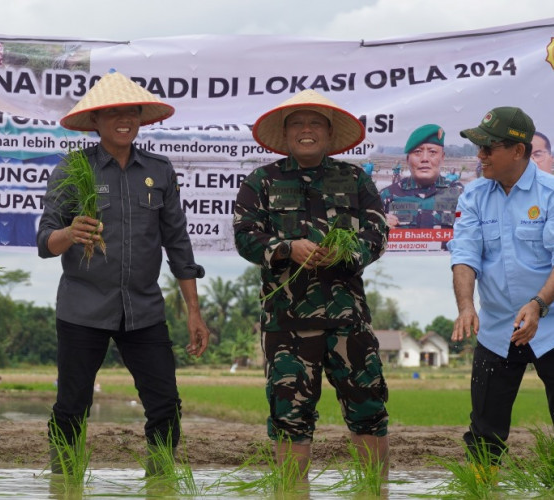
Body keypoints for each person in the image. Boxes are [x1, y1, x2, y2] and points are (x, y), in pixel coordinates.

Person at [37, 70, 210, 474]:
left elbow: (178, 245)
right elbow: (45, 242)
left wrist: (193, 311)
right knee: (72, 404)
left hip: (144, 310)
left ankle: (162, 479)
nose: (123, 118)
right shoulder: (73, 169)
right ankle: (64, 480)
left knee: (165, 402)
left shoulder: (160, 171)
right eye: (112, 111)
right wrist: (69, 233)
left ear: (140, 117)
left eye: (130, 111)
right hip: (82, 309)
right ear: (95, 120)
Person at [233, 89, 390, 479]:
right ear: (286, 134)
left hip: (348, 321)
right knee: (289, 418)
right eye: (298, 123)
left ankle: (374, 490)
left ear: (328, 132)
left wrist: (345, 252)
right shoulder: (262, 181)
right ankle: (292, 491)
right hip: (287, 323)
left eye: (315, 123)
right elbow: (244, 237)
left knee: (369, 411)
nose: (307, 130)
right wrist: (287, 247)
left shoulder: (355, 179)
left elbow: (378, 234)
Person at [449, 106, 554, 465]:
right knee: (484, 430)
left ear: (518, 150)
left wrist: (538, 303)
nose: (480, 156)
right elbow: (464, 255)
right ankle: (482, 487)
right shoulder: (475, 195)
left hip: (551, 325)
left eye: (488, 148)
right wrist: (466, 306)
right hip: (496, 328)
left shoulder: (551, 193)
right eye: (479, 148)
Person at [380, 124, 463, 229]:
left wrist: (460, 218)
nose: (425, 159)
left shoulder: (460, 195)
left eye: (432, 152)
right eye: (417, 152)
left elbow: (470, 231)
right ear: (407, 159)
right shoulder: (387, 195)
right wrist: (380, 226)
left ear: (442, 157)